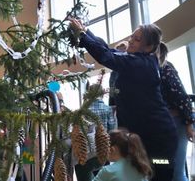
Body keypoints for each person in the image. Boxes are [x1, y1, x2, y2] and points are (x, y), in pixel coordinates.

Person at [68, 18, 178, 181]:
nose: (130, 41)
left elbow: (105, 56)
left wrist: (83, 35)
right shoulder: (137, 60)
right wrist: (86, 31)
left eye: (137, 39)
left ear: (148, 47)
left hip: (158, 139)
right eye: (132, 36)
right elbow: (107, 50)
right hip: (144, 136)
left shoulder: (141, 63)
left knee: (158, 174)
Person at [157, 42, 195, 181]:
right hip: (166, 123)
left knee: (176, 170)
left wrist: (189, 124)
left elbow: (181, 96)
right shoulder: (153, 69)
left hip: (176, 121)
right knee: (168, 167)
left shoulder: (166, 67)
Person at [75, 83, 117, 181]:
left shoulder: (83, 110)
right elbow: (112, 131)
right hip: (103, 149)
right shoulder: (108, 109)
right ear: (102, 94)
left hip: (86, 151)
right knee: (102, 177)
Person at [109, 41, 128, 107]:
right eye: (118, 51)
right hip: (118, 102)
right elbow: (112, 88)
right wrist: (112, 104)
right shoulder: (113, 72)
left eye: (123, 51)